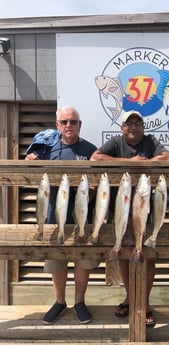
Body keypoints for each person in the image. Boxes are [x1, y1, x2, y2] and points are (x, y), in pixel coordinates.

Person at [90, 110, 169, 327]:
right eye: (129, 123)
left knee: (148, 256)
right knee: (125, 256)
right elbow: (95, 157)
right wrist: (129, 161)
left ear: (143, 127)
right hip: (120, 210)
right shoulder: (116, 142)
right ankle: (129, 298)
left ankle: (144, 302)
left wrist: (145, 163)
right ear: (122, 127)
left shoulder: (151, 141)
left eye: (137, 123)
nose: (133, 127)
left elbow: (166, 157)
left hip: (147, 210)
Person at [25, 106, 99, 324]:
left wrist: (92, 192)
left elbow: (96, 182)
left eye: (73, 122)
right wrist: (31, 162)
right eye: (64, 122)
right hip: (53, 217)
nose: (69, 126)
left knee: (83, 260)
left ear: (80, 125)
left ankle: (79, 302)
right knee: (57, 260)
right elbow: (32, 170)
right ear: (57, 125)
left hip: (83, 219)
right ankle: (59, 301)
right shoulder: (47, 147)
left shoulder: (91, 150)